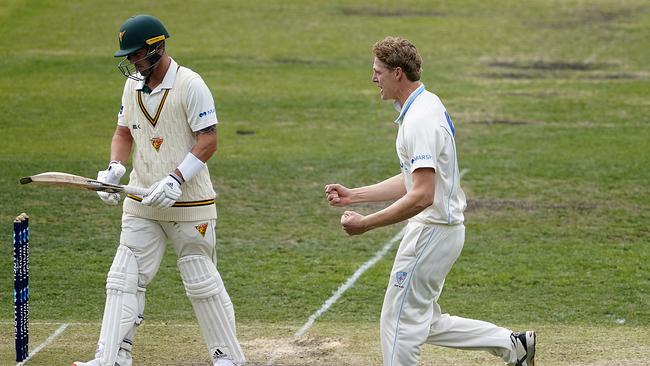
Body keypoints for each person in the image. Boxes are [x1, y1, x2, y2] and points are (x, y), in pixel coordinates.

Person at [324, 36, 536, 366]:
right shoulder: (426, 105)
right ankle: (513, 345)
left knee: (397, 323)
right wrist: (357, 195)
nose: (373, 78)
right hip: (442, 230)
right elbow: (414, 179)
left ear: (397, 73)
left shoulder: (420, 119)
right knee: (423, 320)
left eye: (377, 71)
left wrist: (366, 223)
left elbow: (422, 195)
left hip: (432, 231)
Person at [73, 14, 245, 366]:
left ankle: (227, 358)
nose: (132, 62)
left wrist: (175, 179)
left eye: (136, 54)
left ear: (157, 48)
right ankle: (111, 359)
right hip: (140, 198)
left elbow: (208, 141)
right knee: (123, 277)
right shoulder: (132, 85)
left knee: (199, 276)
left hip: (190, 201)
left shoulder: (191, 84)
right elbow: (123, 133)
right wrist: (115, 168)